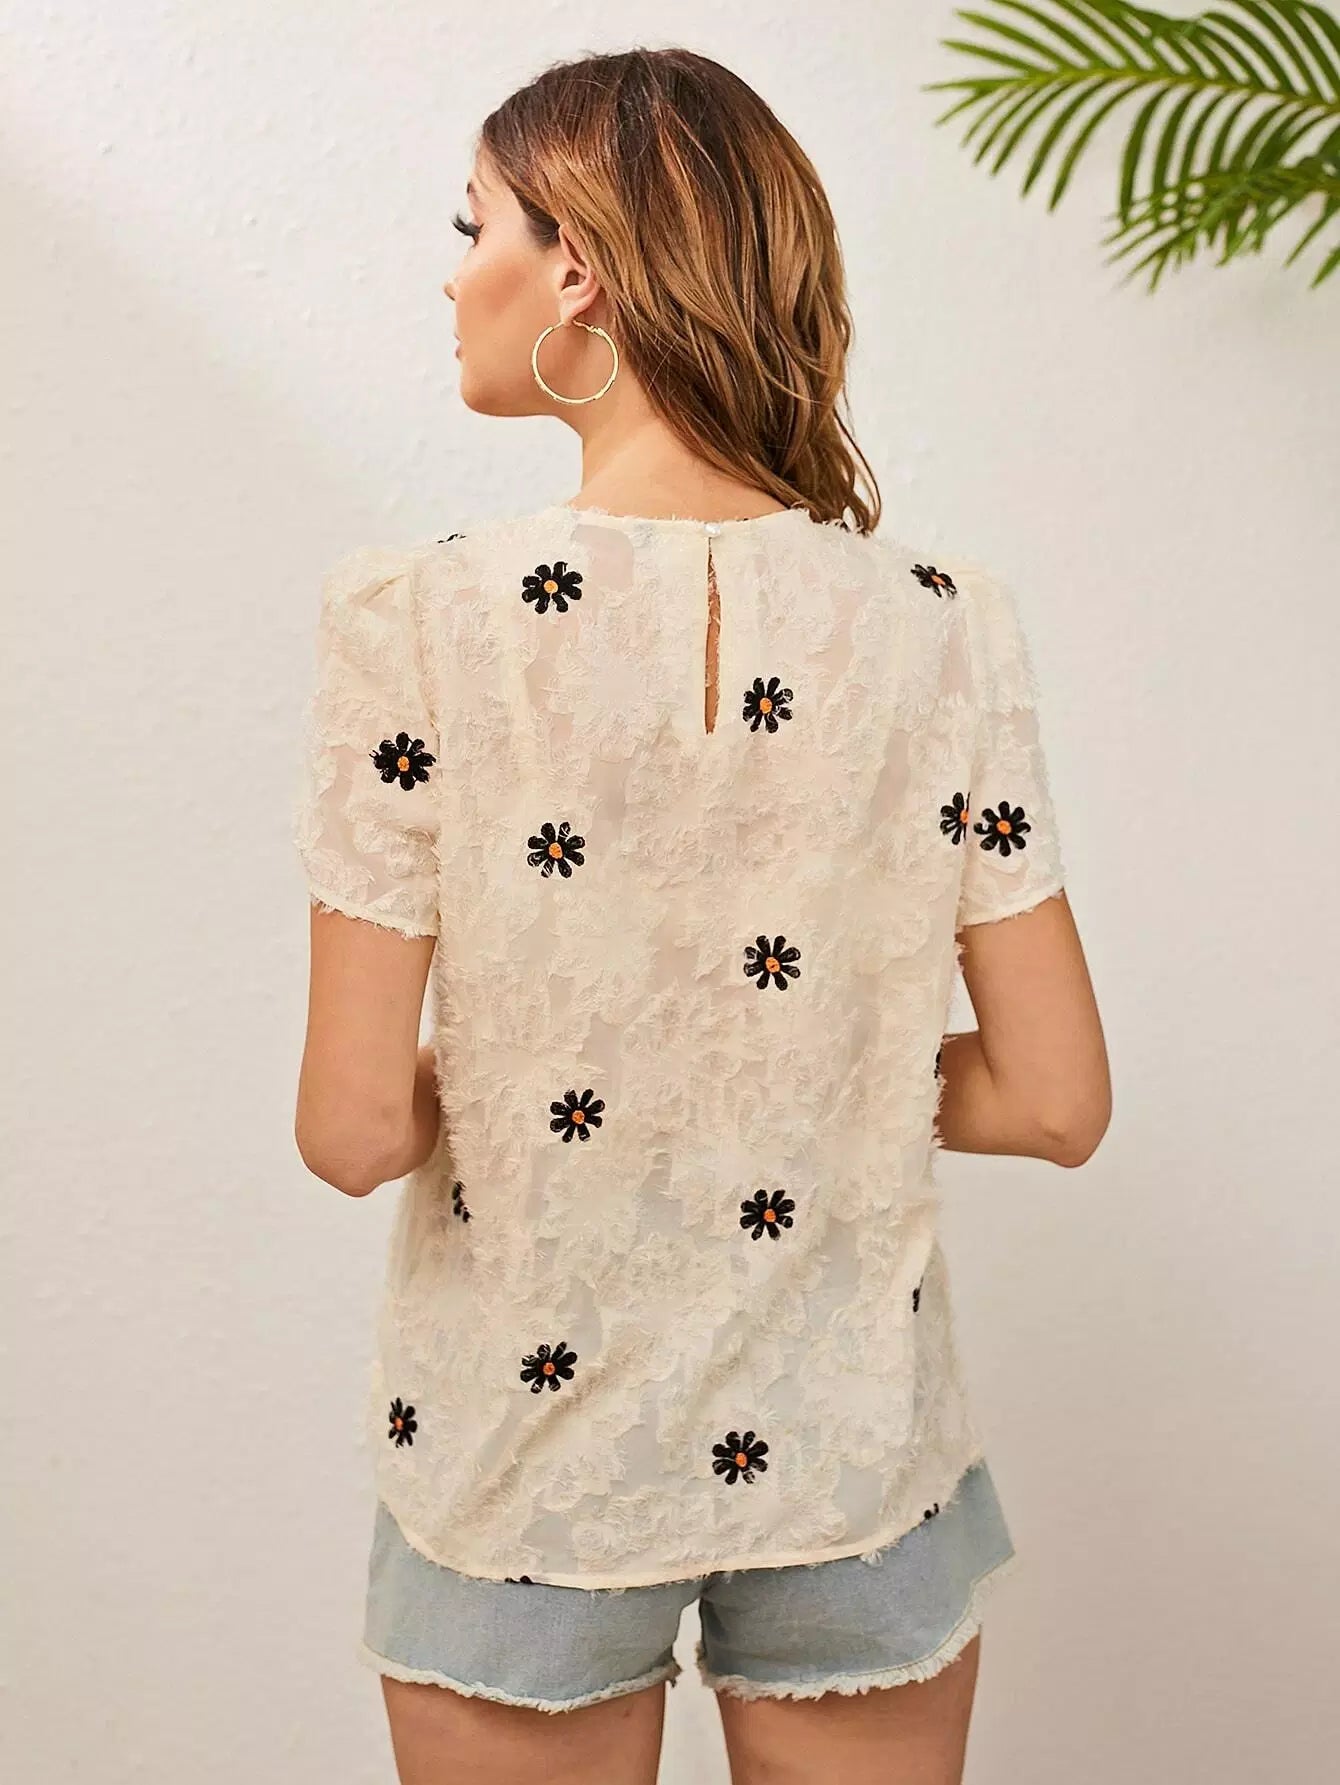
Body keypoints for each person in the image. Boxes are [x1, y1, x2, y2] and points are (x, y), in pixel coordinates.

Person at [292, 44, 1110, 1785]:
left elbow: (354, 1127)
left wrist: (578, 1087)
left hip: (523, 1466)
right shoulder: (942, 621)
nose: (453, 273)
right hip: (851, 1446)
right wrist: (806, 1080)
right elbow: (1055, 1099)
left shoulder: (421, 621)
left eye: (474, 226)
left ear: (578, 268)